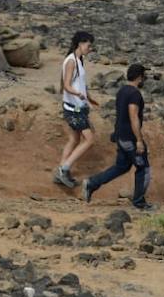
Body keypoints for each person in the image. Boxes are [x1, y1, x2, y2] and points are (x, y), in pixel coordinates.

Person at [83, 63, 153, 211]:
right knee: (143, 168)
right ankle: (139, 202)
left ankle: (92, 183)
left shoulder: (122, 91)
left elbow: (120, 114)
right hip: (130, 138)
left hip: (121, 136)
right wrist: (139, 140)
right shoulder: (134, 94)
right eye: (144, 77)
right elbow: (133, 117)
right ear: (140, 77)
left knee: (121, 167)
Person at [53, 30, 97, 189]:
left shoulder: (78, 60)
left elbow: (79, 83)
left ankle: (61, 173)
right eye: (89, 45)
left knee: (74, 139)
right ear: (80, 43)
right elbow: (66, 85)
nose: (90, 48)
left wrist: (88, 96)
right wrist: (78, 94)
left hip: (73, 106)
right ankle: (64, 169)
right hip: (75, 108)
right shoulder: (71, 61)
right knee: (90, 139)